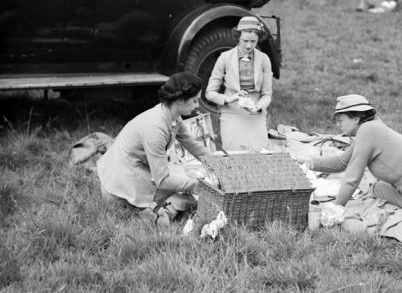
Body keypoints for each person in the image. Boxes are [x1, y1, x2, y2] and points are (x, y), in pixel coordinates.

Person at [297, 94, 402, 212]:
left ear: (356, 119)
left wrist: (336, 209)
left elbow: (352, 179)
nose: (338, 125)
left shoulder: (367, 131)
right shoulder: (372, 126)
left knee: (375, 189)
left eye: (341, 120)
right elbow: (341, 163)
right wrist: (310, 162)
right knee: (378, 186)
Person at [97, 72, 213, 225]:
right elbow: (162, 180)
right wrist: (196, 186)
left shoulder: (171, 114)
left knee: (183, 175)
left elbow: (192, 144)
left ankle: (163, 207)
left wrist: (217, 164)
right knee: (187, 191)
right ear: (179, 101)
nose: (197, 106)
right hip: (118, 188)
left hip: (133, 168)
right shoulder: (156, 128)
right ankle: (158, 211)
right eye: (195, 101)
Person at [205, 16, 273, 151]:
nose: (249, 45)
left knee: (259, 153)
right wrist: (230, 98)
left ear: (259, 39)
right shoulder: (225, 58)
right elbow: (209, 93)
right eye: (245, 41)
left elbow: (267, 94)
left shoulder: (264, 59)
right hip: (231, 112)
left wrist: (259, 106)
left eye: (253, 41)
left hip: (255, 115)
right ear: (238, 37)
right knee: (234, 155)